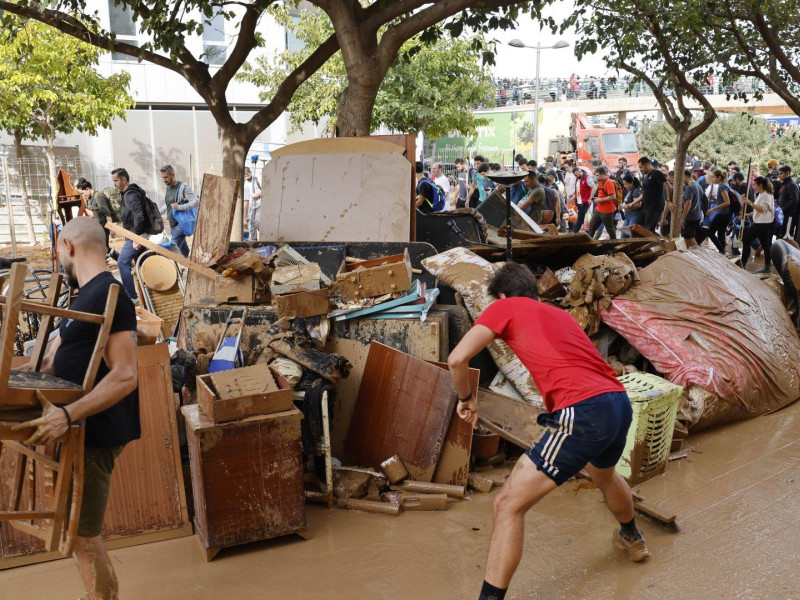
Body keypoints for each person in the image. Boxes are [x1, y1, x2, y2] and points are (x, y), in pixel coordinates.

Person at [447, 262, 649, 600]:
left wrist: (467, 399)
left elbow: (457, 360)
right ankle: (632, 537)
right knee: (605, 476)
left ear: (500, 295)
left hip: (581, 411)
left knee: (508, 505)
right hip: (616, 402)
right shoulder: (560, 315)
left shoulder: (504, 307)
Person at [15, 217, 139, 600]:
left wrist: (68, 414)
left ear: (67, 246)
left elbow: (125, 375)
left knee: (84, 539)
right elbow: (62, 359)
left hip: (93, 433)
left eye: (57, 251)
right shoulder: (86, 296)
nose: (58, 259)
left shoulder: (110, 294)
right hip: (79, 431)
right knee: (76, 537)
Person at [112, 168, 149, 303]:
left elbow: (139, 216)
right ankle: (149, 293)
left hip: (136, 235)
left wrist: (136, 237)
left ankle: (132, 297)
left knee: (123, 262)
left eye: (116, 181)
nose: (114, 184)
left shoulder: (130, 195)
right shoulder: (126, 194)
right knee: (143, 263)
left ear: (124, 180)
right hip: (134, 234)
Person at [158, 165, 198, 258]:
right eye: (163, 177)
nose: (164, 180)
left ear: (173, 175)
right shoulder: (168, 188)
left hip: (180, 223)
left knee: (171, 251)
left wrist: (179, 207)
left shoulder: (183, 187)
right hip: (173, 224)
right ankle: (188, 263)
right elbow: (167, 204)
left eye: (166, 177)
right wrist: (157, 213)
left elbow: (196, 202)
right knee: (183, 248)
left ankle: (171, 270)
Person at [75, 178, 119, 256]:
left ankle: (122, 261)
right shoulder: (90, 198)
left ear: (87, 189)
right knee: (104, 248)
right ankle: (121, 260)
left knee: (103, 249)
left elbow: (107, 214)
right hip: (97, 228)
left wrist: (111, 229)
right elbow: (96, 213)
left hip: (103, 228)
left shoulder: (99, 196)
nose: (82, 195)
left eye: (82, 193)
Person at [741, 176, 775, 273]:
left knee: (746, 240)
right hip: (763, 222)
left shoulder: (766, 195)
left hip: (762, 223)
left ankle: (743, 264)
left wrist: (750, 203)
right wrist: (749, 214)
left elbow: (762, 209)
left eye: (755, 185)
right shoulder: (762, 193)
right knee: (765, 244)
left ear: (760, 185)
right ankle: (767, 267)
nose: (753, 187)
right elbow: (760, 209)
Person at [696, 169, 732, 253]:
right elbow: (723, 201)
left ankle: (722, 250)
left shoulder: (722, 186)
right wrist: (714, 199)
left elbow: (727, 202)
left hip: (723, 213)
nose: (712, 179)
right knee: (721, 233)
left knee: (710, 232)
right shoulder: (725, 185)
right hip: (726, 213)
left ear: (719, 177)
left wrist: (713, 209)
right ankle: (722, 252)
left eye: (713, 177)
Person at [638, 157, 671, 232]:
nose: (641, 169)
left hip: (654, 209)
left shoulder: (656, 173)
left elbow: (667, 185)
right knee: (638, 229)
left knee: (648, 231)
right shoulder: (645, 176)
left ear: (646, 165)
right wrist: (634, 202)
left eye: (641, 167)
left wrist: (668, 200)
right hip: (645, 207)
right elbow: (645, 193)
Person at [588, 167, 618, 239]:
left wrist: (600, 200)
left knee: (610, 229)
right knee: (592, 227)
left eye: (598, 175)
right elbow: (600, 194)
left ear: (603, 174)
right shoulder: (600, 182)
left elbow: (613, 196)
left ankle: (614, 245)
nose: (596, 177)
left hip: (607, 211)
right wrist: (593, 199)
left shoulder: (608, 182)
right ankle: (587, 244)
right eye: (596, 175)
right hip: (599, 209)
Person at [680, 169, 704, 247]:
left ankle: (697, 255)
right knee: (688, 238)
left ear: (684, 176)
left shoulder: (690, 187)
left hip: (690, 217)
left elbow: (688, 203)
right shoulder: (698, 186)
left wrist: (682, 218)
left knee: (689, 238)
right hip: (697, 216)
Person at [571, 166, 596, 233]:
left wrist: (590, 198)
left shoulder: (587, 178)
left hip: (585, 202)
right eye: (575, 175)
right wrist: (573, 194)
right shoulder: (577, 179)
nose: (576, 176)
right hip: (579, 202)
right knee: (584, 219)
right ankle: (586, 233)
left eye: (577, 175)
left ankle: (575, 232)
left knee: (581, 219)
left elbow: (593, 188)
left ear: (580, 172)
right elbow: (578, 189)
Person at [778, 165, 799, 240]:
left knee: (787, 236)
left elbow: (794, 200)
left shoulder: (791, 184)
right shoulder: (786, 183)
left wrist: (782, 209)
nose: (779, 175)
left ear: (787, 174)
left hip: (790, 215)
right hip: (785, 215)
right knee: (782, 235)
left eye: (781, 174)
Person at [243, 167, 262, 242]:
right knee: (252, 225)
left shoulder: (257, 180)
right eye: (245, 176)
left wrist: (257, 194)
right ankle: (253, 241)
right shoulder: (244, 183)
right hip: (250, 207)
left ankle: (264, 238)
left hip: (258, 205)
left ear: (250, 173)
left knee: (257, 223)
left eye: (248, 175)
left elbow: (267, 191)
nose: (247, 177)